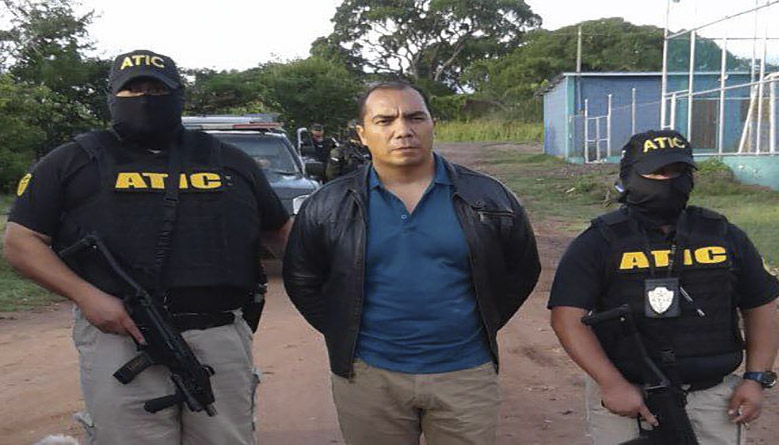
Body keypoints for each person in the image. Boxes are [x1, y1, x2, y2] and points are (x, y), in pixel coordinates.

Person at [3, 49, 292, 445]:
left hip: (219, 335)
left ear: (178, 95)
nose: (144, 99)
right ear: (111, 97)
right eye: (131, 90)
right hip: (119, 336)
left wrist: (330, 286)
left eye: (156, 90)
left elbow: (281, 232)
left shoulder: (228, 159)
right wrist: (87, 297)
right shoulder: (72, 161)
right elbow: (21, 241)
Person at [283, 80, 541, 445]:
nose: (403, 130)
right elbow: (302, 279)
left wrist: (480, 325)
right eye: (385, 120)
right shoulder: (327, 204)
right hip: (369, 375)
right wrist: (344, 331)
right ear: (362, 134)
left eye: (415, 117)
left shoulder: (489, 196)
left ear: (433, 124)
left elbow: (522, 270)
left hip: (466, 373)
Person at [548, 130, 779, 444]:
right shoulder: (599, 241)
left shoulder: (723, 235)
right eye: (657, 172)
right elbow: (566, 318)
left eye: (679, 171)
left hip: (713, 397)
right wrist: (611, 383)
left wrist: (756, 378)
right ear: (630, 176)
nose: (669, 181)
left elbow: (761, 306)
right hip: (630, 399)